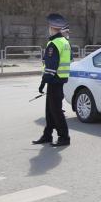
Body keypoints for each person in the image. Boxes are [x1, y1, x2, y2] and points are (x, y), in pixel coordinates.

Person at [32, 13, 72, 147]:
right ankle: (47, 135)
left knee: (56, 111)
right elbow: (68, 59)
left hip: (54, 80)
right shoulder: (65, 42)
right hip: (60, 79)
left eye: (49, 27)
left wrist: (43, 82)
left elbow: (51, 66)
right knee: (50, 110)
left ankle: (64, 137)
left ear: (51, 28)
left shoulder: (53, 43)